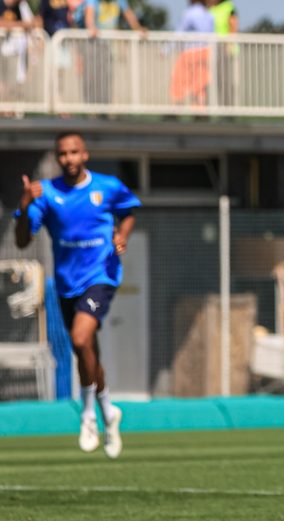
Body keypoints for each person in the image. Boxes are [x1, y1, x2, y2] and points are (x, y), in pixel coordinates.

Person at [14, 131, 141, 459]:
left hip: (101, 276)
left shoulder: (107, 187)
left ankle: (87, 415)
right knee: (87, 354)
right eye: (63, 154)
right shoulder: (47, 193)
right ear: (57, 158)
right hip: (67, 283)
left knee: (82, 340)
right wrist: (25, 205)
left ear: (85, 155)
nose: (69, 159)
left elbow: (128, 213)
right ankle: (109, 413)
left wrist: (121, 236)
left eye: (74, 152)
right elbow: (23, 240)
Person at [77, 0, 146, 105]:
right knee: (91, 75)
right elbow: (89, 15)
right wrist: (91, 27)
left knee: (106, 75)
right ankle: (90, 106)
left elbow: (128, 14)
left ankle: (105, 105)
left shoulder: (119, 1)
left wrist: (138, 28)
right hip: (92, 42)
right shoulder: (93, 1)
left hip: (108, 44)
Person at [208, 0, 238, 108]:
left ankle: (228, 108)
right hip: (211, 48)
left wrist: (229, 44)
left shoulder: (228, 7)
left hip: (225, 47)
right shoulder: (209, 8)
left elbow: (233, 25)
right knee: (212, 80)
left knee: (226, 80)